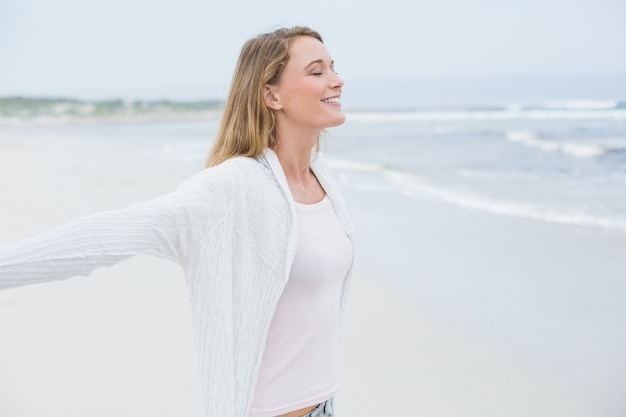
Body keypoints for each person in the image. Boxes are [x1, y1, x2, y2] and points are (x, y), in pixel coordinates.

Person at [0, 26, 354, 417]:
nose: (336, 80)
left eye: (333, 68)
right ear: (271, 94)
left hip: (325, 404)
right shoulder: (232, 187)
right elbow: (105, 236)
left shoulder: (322, 175)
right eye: (317, 71)